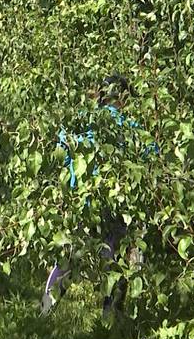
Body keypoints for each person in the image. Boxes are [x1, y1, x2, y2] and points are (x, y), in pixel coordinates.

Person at [41, 74, 154, 318]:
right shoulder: (134, 128)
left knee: (69, 258)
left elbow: (62, 152)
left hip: (82, 203)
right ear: (124, 98)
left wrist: (69, 185)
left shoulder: (79, 123)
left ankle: (45, 310)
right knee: (116, 263)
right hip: (116, 207)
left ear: (100, 96)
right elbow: (150, 159)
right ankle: (110, 317)